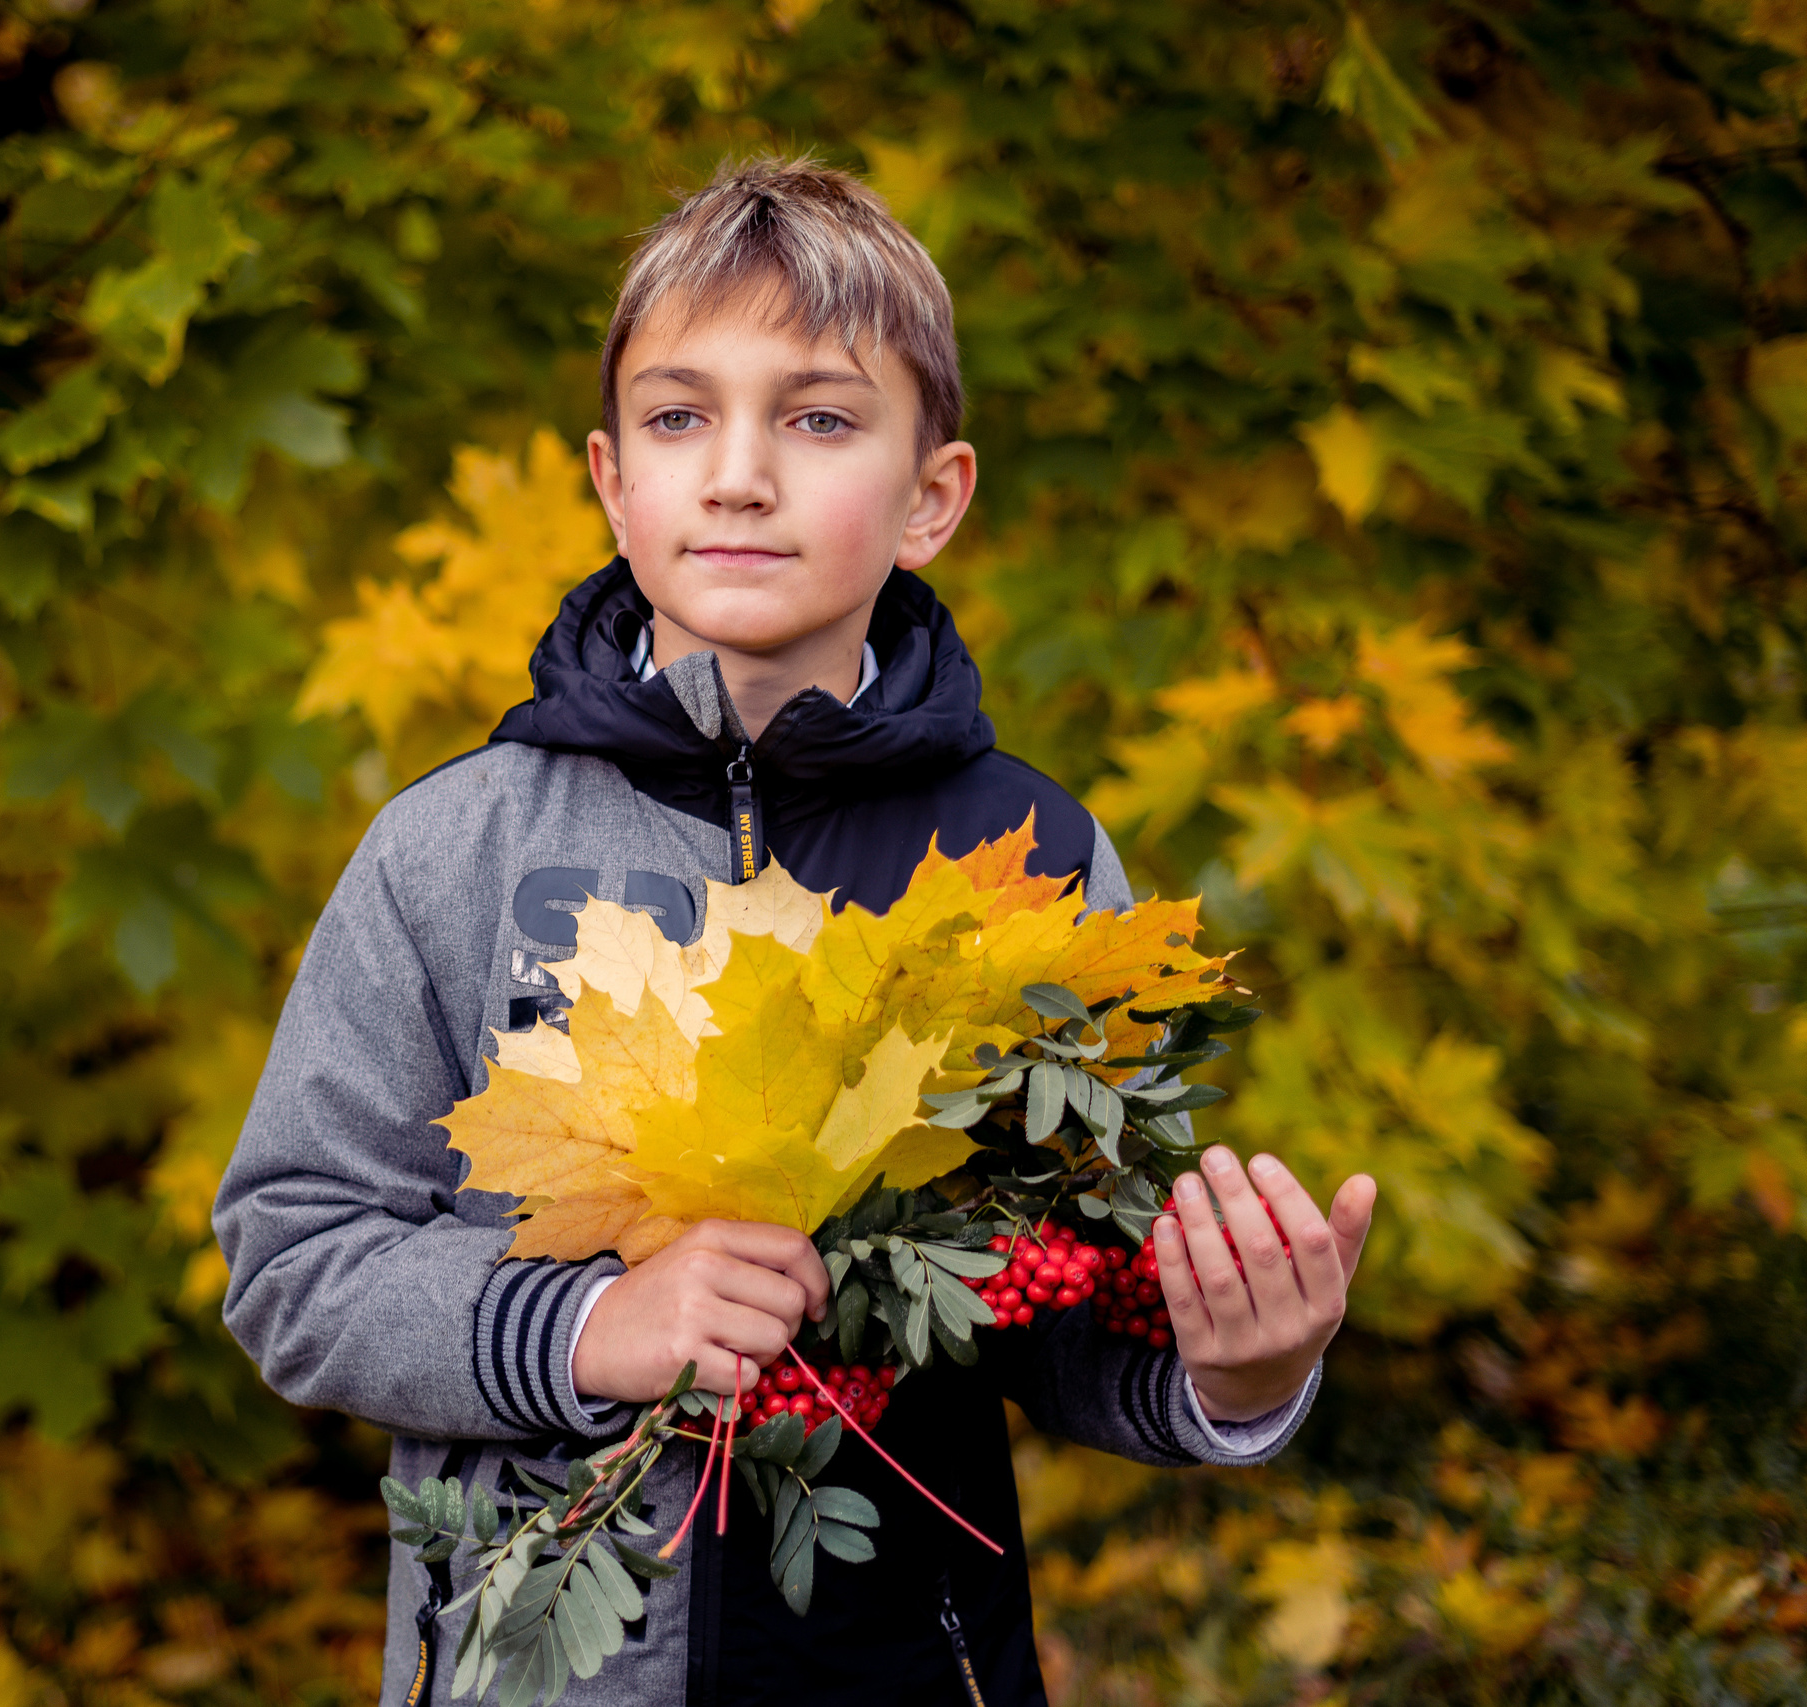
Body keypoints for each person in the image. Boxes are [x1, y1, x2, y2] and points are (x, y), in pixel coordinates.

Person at [214, 156, 1380, 1707]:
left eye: (820, 419)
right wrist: (586, 1327)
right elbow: (295, 1260)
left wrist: (1236, 1369)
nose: (740, 472)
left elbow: (1071, 1301)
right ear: (612, 478)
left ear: (931, 497)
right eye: (681, 416)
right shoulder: (455, 850)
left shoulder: (1024, 865)